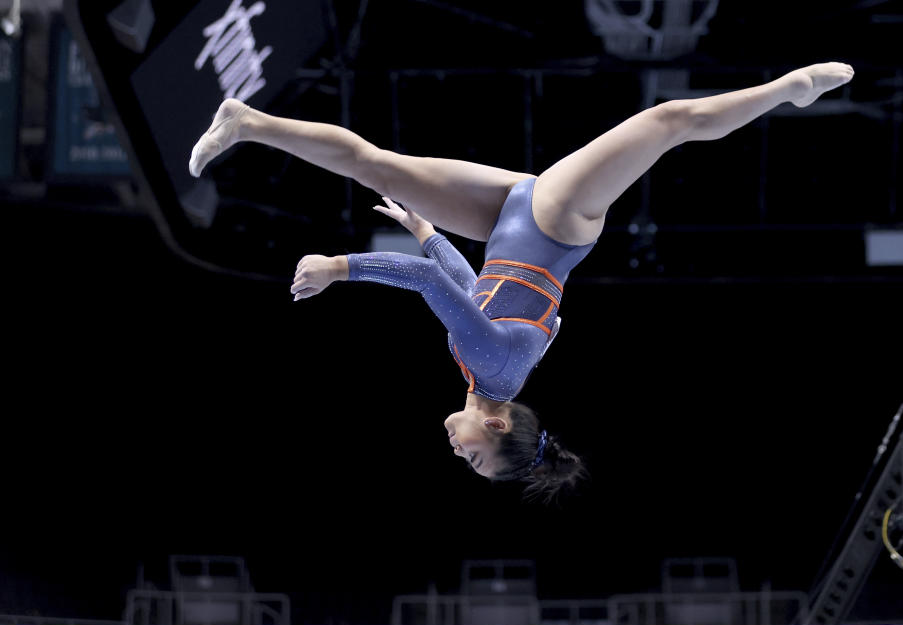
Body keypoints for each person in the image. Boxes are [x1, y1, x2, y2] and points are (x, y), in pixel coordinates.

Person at [189, 62, 855, 502]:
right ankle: (788, 90)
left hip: (507, 219)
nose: (460, 454)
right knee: (667, 123)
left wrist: (425, 231)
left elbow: (468, 283)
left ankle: (248, 123)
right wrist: (340, 268)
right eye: (477, 459)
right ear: (500, 425)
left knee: (378, 167)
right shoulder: (492, 364)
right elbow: (426, 284)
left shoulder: (488, 373)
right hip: (553, 222)